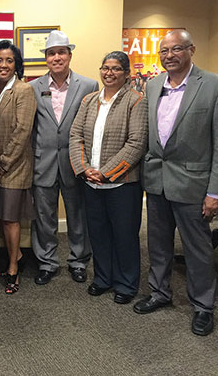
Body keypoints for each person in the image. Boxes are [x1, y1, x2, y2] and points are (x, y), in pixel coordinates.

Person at [133, 29, 218, 336]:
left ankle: (203, 307)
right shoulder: (152, 86)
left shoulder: (216, 86)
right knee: (158, 244)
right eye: (164, 51)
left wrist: (215, 191)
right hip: (157, 182)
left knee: (197, 249)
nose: (169, 56)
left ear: (191, 49)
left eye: (176, 49)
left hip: (193, 184)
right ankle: (159, 292)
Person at [69, 51, 148, 304]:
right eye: (105, 68)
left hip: (122, 184)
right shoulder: (89, 100)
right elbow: (75, 136)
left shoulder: (136, 100)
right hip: (91, 183)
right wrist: (84, 168)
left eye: (115, 69)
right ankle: (103, 278)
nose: (109, 73)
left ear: (126, 73)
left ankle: (126, 283)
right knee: (99, 233)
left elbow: (136, 143)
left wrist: (105, 172)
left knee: (124, 235)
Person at [30, 30, 98, 285]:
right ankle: (47, 262)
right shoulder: (33, 87)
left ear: (69, 55)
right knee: (44, 217)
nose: (56, 57)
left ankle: (79, 261)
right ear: (45, 58)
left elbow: (92, 126)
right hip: (42, 163)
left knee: (77, 215)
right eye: (51, 53)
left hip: (75, 163)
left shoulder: (89, 85)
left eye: (61, 52)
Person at [0, 40, 36, 294]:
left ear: (17, 65)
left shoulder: (23, 90)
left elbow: (22, 131)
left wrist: (3, 163)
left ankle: (14, 268)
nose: (3, 65)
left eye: (9, 60)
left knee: (10, 220)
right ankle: (15, 258)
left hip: (14, 166)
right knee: (2, 217)